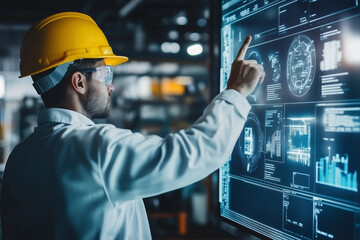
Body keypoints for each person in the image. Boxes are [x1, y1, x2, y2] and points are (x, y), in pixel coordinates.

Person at [1, 12, 264, 240]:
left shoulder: (19, 159)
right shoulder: (95, 148)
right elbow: (195, 152)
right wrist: (237, 91)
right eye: (105, 73)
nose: (111, 85)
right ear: (79, 82)